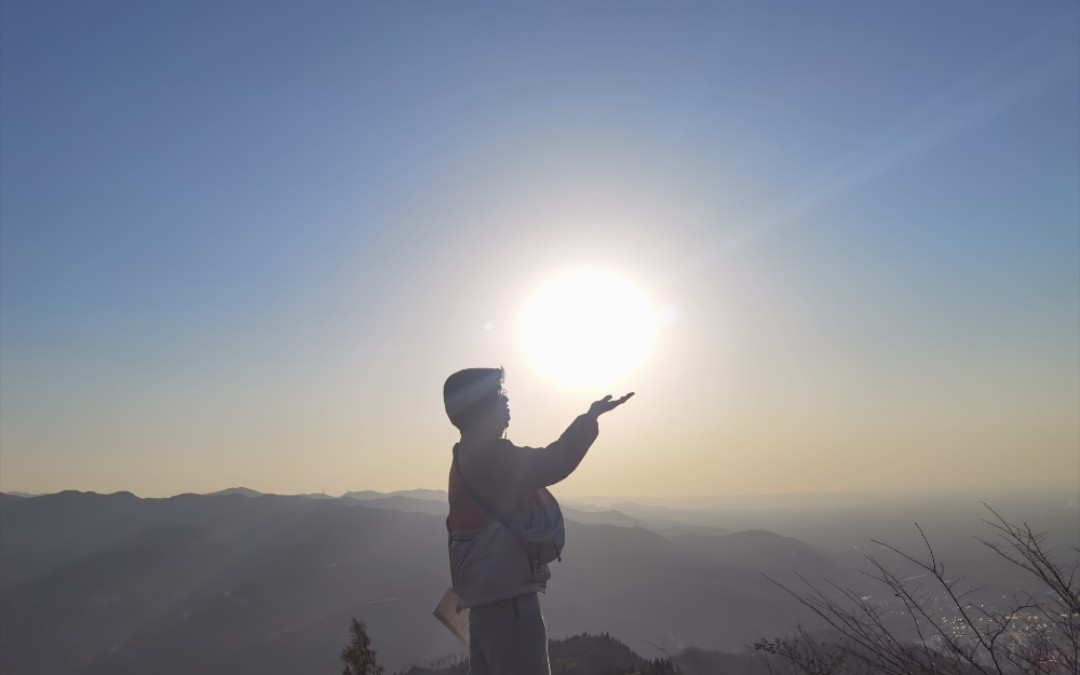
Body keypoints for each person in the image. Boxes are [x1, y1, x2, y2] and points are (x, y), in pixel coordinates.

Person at [443, 367, 633, 675]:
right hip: (508, 598)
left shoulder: (465, 454)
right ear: (477, 409)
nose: (505, 403)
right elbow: (552, 463)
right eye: (497, 396)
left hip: (485, 597)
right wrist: (589, 419)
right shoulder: (488, 456)